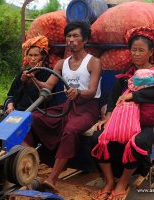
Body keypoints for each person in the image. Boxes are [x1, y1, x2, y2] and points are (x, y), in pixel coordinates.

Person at [91, 27, 154, 200]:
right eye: (133, 50)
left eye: (141, 50)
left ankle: (123, 182)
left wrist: (134, 95)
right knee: (98, 137)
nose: (136, 54)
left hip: (149, 126)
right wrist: (108, 117)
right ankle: (110, 181)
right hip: (123, 123)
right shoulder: (128, 74)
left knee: (137, 141)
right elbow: (113, 97)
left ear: (150, 52)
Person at [22, 21, 102, 191]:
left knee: (70, 130)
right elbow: (47, 88)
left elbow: (93, 90)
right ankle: (29, 166)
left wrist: (78, 93)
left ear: (85, 40)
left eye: (75, 36)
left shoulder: (93, 62)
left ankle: (52, 179)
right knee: (32, 118)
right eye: (68, 36)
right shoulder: (61, 63)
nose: (71, 40)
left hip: (88, 108)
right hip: (67, 106)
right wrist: (33, 79)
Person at [4, 35, 52, 114]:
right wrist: (10, 105)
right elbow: (11, 95)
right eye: (30, 55)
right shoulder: (23, 73)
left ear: (42, 57)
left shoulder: (49, 74)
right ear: (27, 57)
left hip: (37, 113)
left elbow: (47, 98)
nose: (33, 59)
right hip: (17, 111)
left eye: (36, 55)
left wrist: (33, 78)